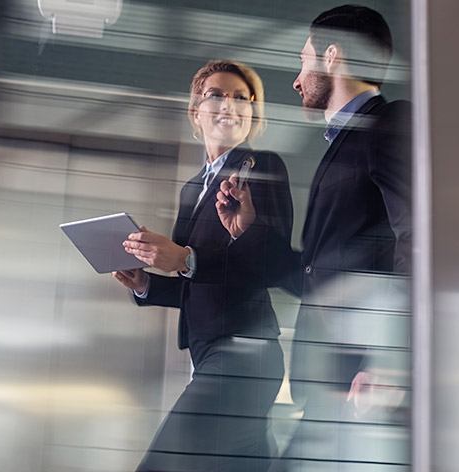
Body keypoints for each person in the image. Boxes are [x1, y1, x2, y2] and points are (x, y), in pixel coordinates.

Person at [215, 5, 412, 469]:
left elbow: (419, 239)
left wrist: (391, 360)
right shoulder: (347, 142)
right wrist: (249, 232)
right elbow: (318, 277)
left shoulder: (388, 125)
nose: (297, 79)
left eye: (304, 61)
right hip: (335, 378)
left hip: (364, 378)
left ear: (332, 57)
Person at [113, 59, 293, 472]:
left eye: (241, 98)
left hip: (245, 353)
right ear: (196, 111)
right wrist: (146, 284)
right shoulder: (193, 188)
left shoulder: (261, 168)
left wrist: (184, 258)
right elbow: (199, 283)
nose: (229, 104)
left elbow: (268, 263)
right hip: (207, 353)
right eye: (216, 94)